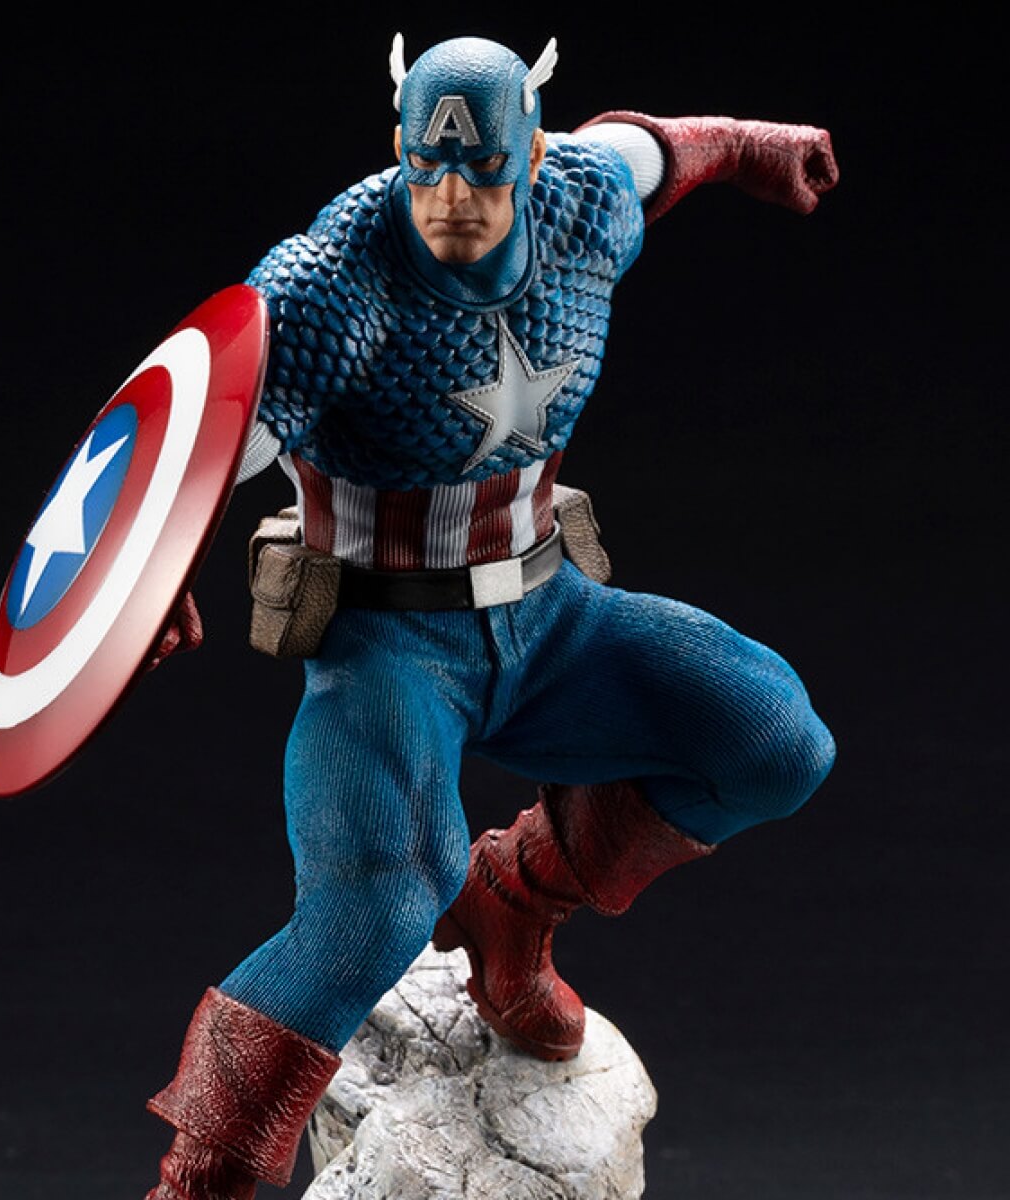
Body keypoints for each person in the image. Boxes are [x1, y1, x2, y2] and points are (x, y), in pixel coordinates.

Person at [145, 33, 839, 1200]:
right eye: (428, 171)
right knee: (375, 911)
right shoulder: (330, 282)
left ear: (533, 153)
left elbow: (660, 151)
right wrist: (155, 561)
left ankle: (514, 901)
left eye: (483, 172)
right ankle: (196, 1176)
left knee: (772, 737)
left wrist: (754, 146)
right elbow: (218, 423)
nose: (453, 203)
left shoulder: (581, 202)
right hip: (387, 650)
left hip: (546, 614)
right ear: (398, 150)